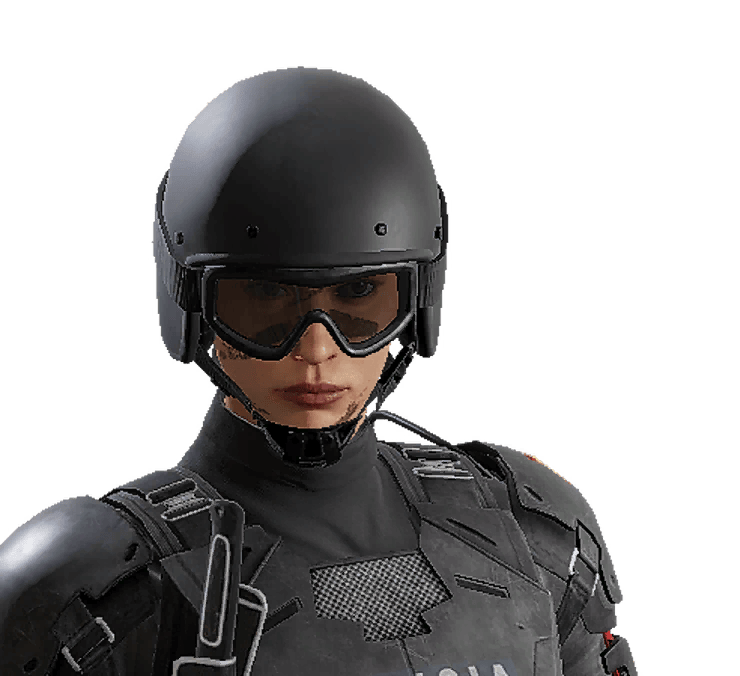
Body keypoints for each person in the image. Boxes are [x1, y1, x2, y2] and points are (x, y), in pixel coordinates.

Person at [0, 67, 639, 676]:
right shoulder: (89, 591)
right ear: (194, 305)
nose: (315, 349)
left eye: (359, 295)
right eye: (266, 298)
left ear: (418, 300)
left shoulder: (537, 533)